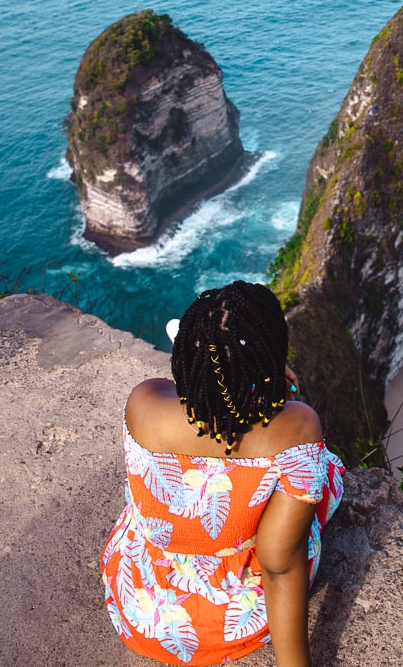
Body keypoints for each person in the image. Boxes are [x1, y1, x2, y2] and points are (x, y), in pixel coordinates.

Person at [101, 281, 344, 667]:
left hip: (146, 613)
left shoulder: (144, 402)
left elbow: (189, 394)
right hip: (240, 620)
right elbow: (280, 565)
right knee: (318, 471)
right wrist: (263, 387)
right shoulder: (297, 428)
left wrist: (231, 380)